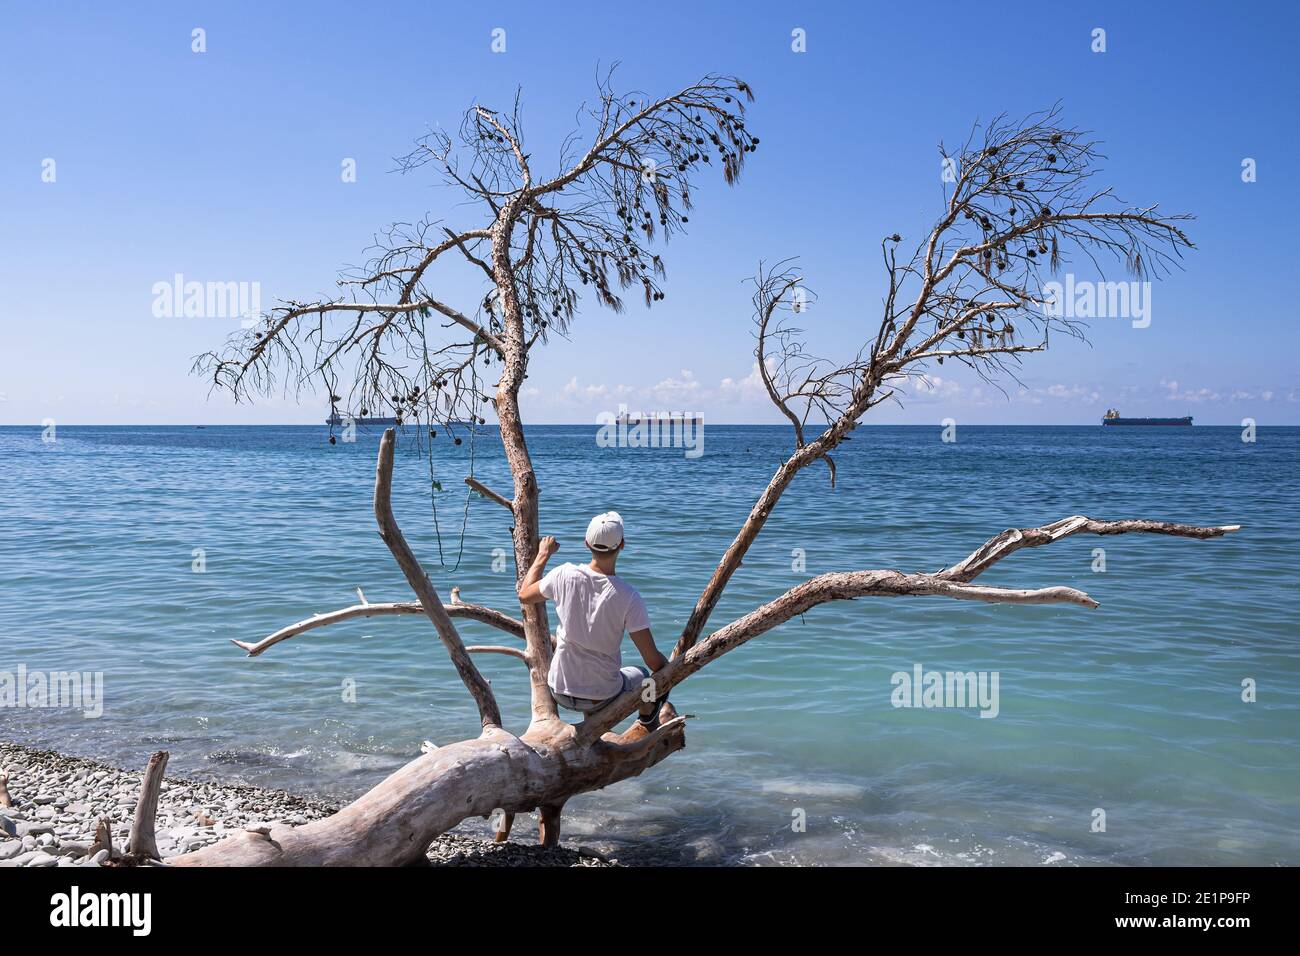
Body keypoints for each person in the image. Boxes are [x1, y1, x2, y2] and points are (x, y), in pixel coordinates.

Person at [517, 511, 668, 727]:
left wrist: (543, 555)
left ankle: (593, 725)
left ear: (586, 543)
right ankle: (648, 717)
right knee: (644, 677)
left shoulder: (563, 574)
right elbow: (653, 660)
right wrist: (669, 670)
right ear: (622, 545)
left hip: (559, 690)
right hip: (602, 697)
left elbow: (524, 594)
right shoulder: (629, 596)